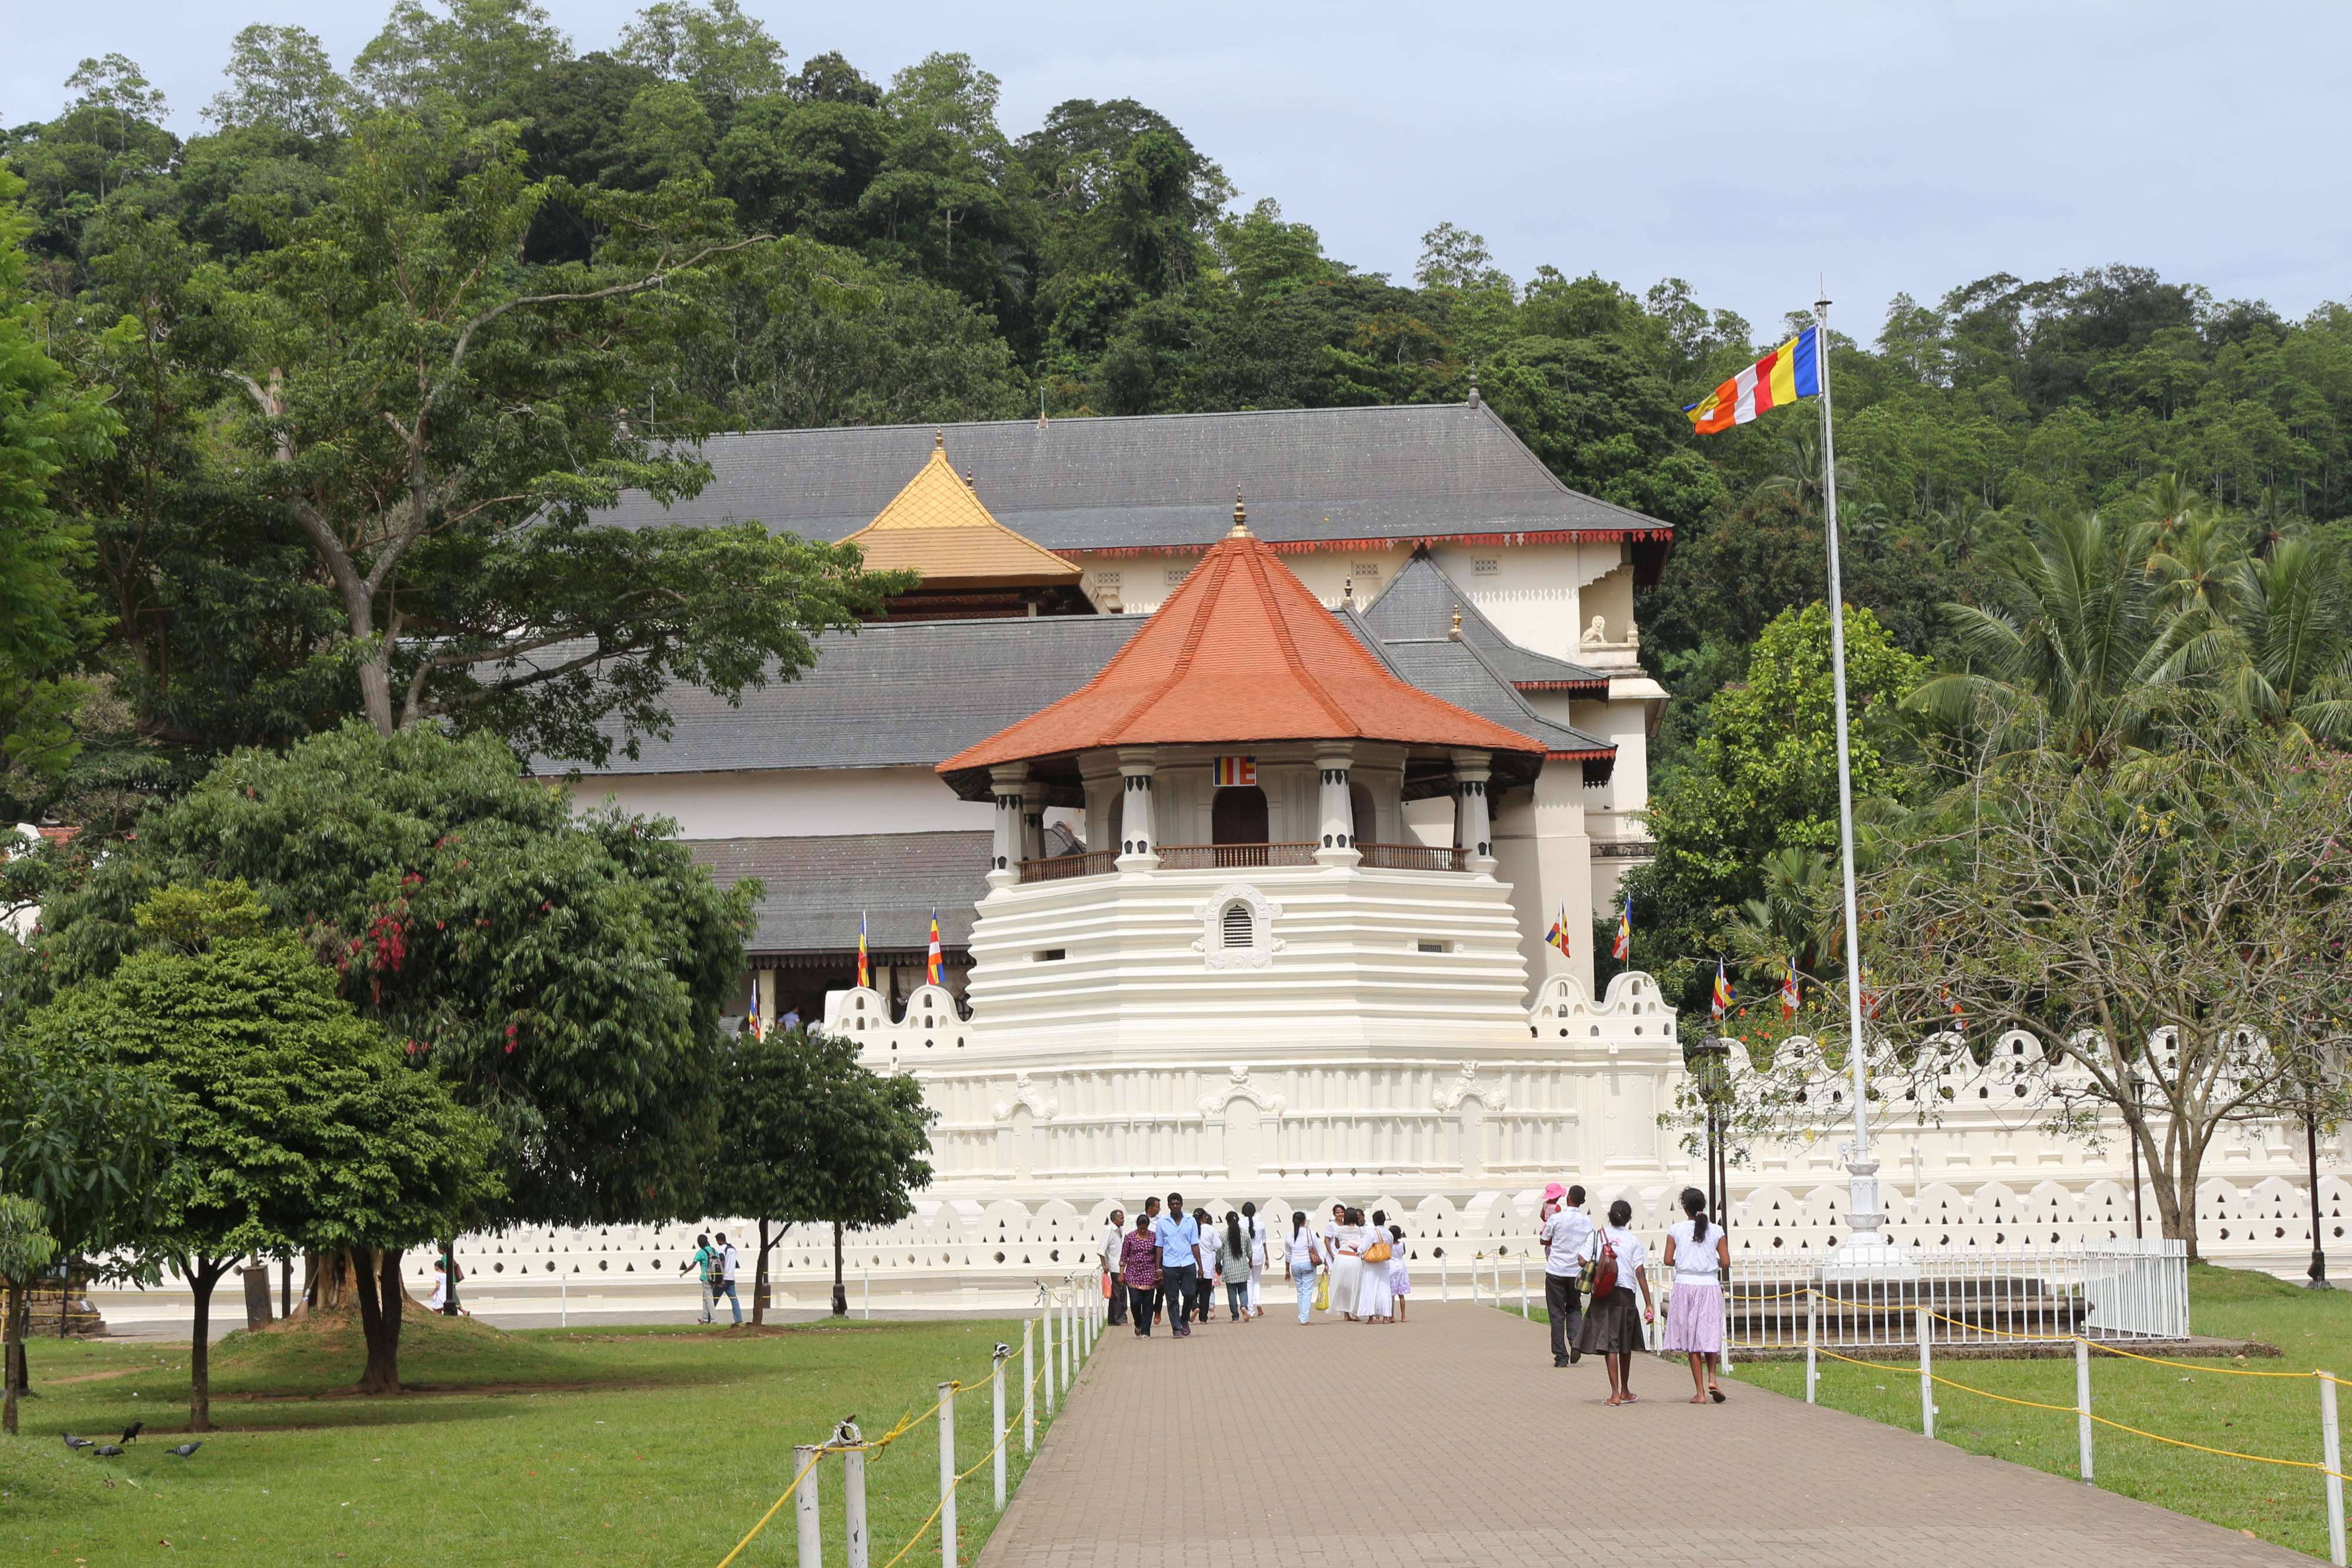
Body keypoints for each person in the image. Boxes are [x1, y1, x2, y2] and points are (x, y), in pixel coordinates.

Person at [1572, 1198, 1653, 1406]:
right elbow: (1640, 1272)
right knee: (1625, 1345)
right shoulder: (1634, 1241)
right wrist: (1649, 1303)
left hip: (1603, 1294)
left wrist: (1599, 1260)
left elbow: (1582, 1260)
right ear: (1629, 1219)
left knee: (1611, 1345)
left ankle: (1615, 1395)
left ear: (1610, 1216)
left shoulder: (1597, 1236)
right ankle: (1625, 1391)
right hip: (1626, 1295)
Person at [1662, 1186, 1731, 1404]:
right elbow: (1726, 1262)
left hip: (1685, 1285)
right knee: (1709, 1334)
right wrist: (1711, 1263)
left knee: (1693, 1340)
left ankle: (1700, 1393)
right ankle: (1713, 1378)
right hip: (1709, 1285)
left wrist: (1685, 1262)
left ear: (1685, 1207)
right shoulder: (1717, 1231)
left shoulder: (1676, 1230)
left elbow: (1668, 1260)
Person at [1540, 1185, 1593, 1367]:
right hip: (1575, 1273)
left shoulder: (1556, 1218)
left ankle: (1561, 1357)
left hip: (1555, 1271)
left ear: (1568, 1197)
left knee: (1556, 1314)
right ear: (1582, 1202)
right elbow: (1589, 1247)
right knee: (1574, 1308)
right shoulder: (1588, 1222)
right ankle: (1576, 1343)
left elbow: (1543, 1239)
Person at [1153, 1192, 1200, 1339]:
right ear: (1168, 1206)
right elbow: (1159, 1246)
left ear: (1181, 1204)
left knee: (1190, 1294)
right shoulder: (1163, 1223)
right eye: (1172, 1204)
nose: (1175, 1207)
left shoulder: (1190, 1221)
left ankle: (1184, 1318)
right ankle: (1177, 1328)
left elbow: (1195, 1244)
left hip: (1188, 1262)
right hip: (1170, 1264)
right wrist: (1158, 1268)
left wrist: (1201, 1266)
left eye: (1177, 1204)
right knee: (1172, 1298)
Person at [1122, 1213, 1162, 1335]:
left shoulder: (1154, 1237)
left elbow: (1159, 1255)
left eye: (1145, 1228)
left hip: (1150, 1274)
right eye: (1141, 1229)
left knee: (1148, 1304)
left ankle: (1146, 1331)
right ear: (1137, 1227)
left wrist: (1159, 1270)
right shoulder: (1130, 1238)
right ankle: (1138, 1322)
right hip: (1133, 1274)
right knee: (1135, 1301)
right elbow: (1124, 1255)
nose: (1143, 1231)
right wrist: (1121, 1273)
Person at [1284, 1211, 1325, 1323]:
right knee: (1307, 1291)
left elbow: (1288, 1255)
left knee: (1301, 1292)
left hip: (1295, 1265)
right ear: (1304, 1221)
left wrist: (1287, 1270)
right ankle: (1304, 1318)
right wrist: (1325, 1263)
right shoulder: (1310, 1233)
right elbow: (1319, 1250)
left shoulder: (1289, 1235)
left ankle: (1302, 1316)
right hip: (1308, 1264)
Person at [1355, 1208, 1392, 1323]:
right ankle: (1386, 1316)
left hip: (1371, 1264)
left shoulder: (1372, 1233)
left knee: (1370, 1289)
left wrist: (1357, 1251)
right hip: (1384, 1264)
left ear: (1374, 1221)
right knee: (1384, 1289)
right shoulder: (1389, 1234)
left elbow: (1364, 1247)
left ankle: (1371, 1317)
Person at [1327, 1207, 1364, 1322]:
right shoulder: (1361, 1231)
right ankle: (1355, 1313)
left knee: (1344, 1287)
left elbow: (1337, 1245)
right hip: (1354, 1258)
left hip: (1341, 1258)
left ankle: (1346, 1314)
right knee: (1356, 1286)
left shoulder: (1339, 1230)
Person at [1221, 1212, 1253, 1320]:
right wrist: (1251, 1261)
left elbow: (1219, 1253)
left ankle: (1235, 1316)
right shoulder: (1245, 1233)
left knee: (1232, 1293)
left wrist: (1217, 1262)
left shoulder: (1223, 1235)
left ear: (1228, 1222)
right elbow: (1250, 1251)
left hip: (1229, 1269)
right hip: (1243, 1267)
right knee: (1243, 1290)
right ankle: (1244, 1307)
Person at [1100, 1207, 1128, 1326]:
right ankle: (1120, 1318)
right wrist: (1104, 1265)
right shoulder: (1109, 1230)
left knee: (1116, 1293)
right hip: (1115, 1266)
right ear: (1114, 1219)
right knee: (1119, 1293)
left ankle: (1112, 1319)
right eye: (1121, 1218)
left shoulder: (1119, 1230)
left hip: (1121, 1265)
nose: (1123, 1220)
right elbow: (1101, 1249)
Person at [682, 1232, 716, 1323]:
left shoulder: (701, 1253)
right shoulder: (714, 1250)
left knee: (709, 1299)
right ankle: (705, 1319)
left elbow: (693, 1265)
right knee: (706, 1298)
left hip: (706, 1278)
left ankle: (714, 1320)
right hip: (714, 1278)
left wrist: (684, 1272)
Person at [1242, 1202, 1268, 1319]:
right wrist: (1267, 1258)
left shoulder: (1240, 1223)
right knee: (1257, 1281)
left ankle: (1250, 1310)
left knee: (1249, 1282)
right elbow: (1264, 1243)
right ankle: (1258, 1303)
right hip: (1259, 1254)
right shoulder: (1261, 1224)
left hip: (1246, 1256)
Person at [713, 1231, 743, 1325]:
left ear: (720, 1240)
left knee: (714, 1298)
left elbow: (722, 1262)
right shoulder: (733, 1249)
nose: (717, 1243)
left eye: (717, 1241)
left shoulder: (722, 1249)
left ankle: (709, 1317)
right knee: (734, 1299)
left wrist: (718, 1277)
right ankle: (739, 1318)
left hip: (723, 1278)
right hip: (731, 1278)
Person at [1385, 1223, 1411, 1322]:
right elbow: (1404, 1252)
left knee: (1391, 1294)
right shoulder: (1402, 1244)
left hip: (1391, 1266)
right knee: (1401, 1295)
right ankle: (1403, 1316)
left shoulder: (1389, 1245)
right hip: (1401, 1266)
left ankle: (1392, 1316)